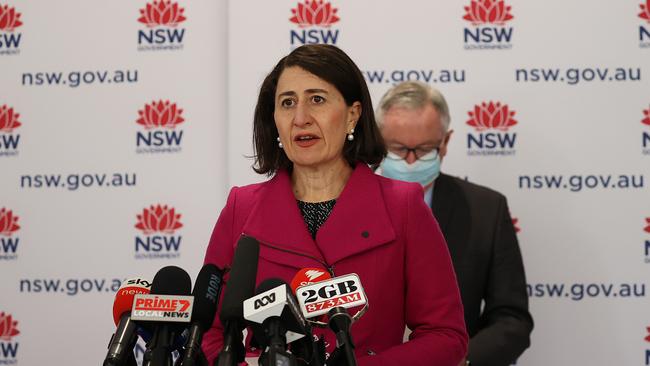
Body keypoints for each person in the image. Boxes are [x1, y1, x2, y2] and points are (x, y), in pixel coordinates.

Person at [201, 45, 467, 366]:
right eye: (288, 103)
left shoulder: (403, 206)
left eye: (317, 99)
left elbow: (446, 336)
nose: (301, 118)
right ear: (275, 119)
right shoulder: (240, 207)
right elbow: (208, 332)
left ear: (352, 114)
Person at [376, 81, 534, 366]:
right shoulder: (348, 205)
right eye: (398, 149)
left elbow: (512, 320)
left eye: (424, 150)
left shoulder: (486, 210)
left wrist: (458, 360)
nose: (411, 161)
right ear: (377, 142)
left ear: (445, 143)